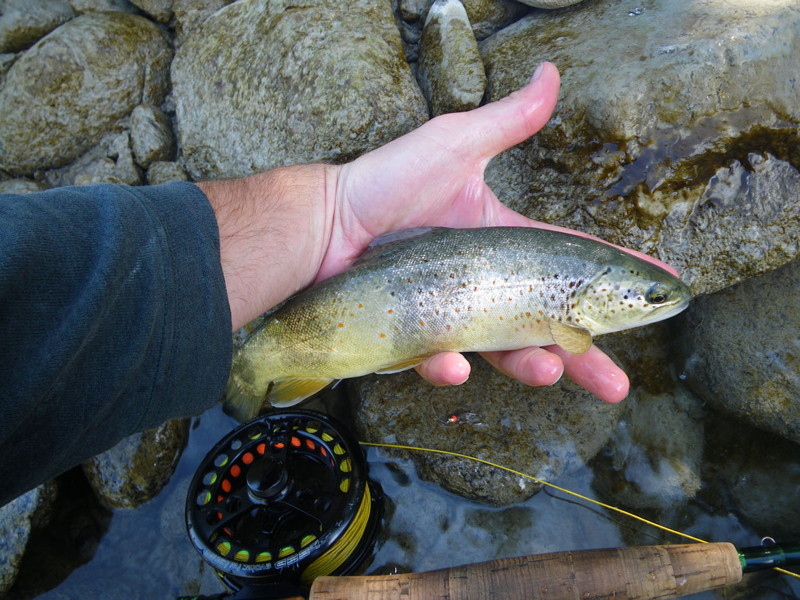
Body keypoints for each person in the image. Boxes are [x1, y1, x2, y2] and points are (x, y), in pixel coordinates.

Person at [0, 63, 677, 506]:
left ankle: (257, 357)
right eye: (649, 297)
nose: (655, 306)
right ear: (597, 295)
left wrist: (334, 211)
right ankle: (256, 358)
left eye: (648, 298)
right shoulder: (569, 312)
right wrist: (335, 212)